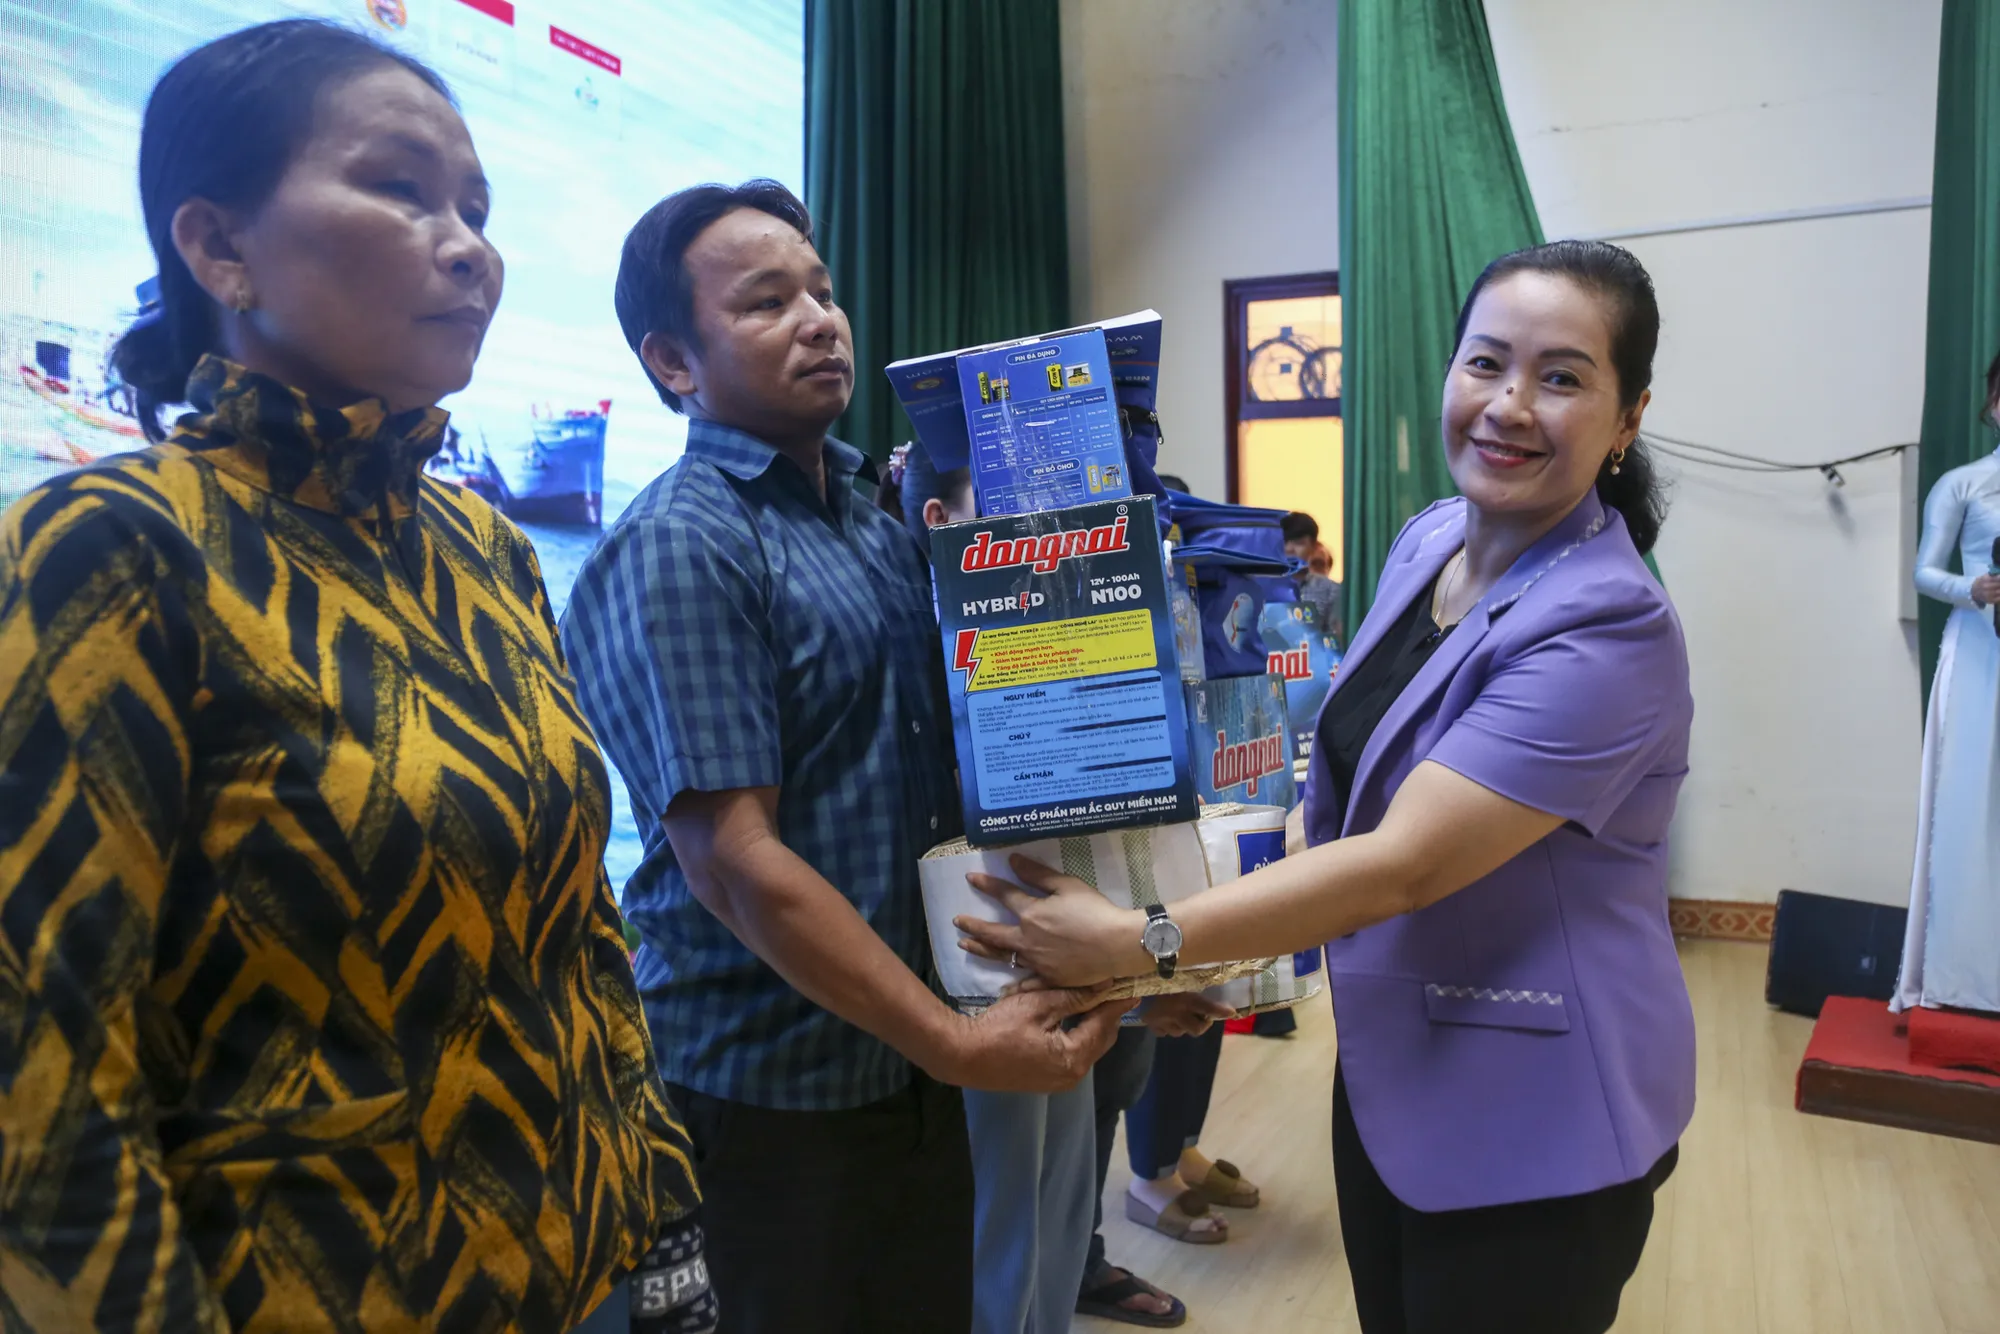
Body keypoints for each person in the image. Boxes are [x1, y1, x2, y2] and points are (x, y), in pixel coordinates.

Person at [0, 22, 704, 1334]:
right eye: (399, 189)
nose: (468, 245)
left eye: (476, 209)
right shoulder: (109, 547)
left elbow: (585, 942)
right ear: (219, 246)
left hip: (590, 1278)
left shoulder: (485, 548)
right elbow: (40, 1080)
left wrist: (662, 1232)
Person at [958, 239, 1695, 1334]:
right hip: (1398, 1075)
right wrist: (1223, 960)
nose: (1508, 405)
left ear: (1626, 417)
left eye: (1560, 377)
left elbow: (1402, 863)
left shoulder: (1607, 624)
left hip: (1538, 1111)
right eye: (1486, 362)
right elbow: (1340, 807)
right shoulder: (1430, 543)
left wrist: (1142, 942)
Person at [562, 180, 1121, 1334]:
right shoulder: (682, 541)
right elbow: (733, 863)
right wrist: (953, 1040)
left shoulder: (869, 528)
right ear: (673, 360)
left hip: (904, 1066)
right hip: (768, 1090)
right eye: (766, 302)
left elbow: (971, 777)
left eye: (821, 292)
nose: (820, 320)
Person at [1894, 350, 2000, 1014]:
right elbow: (1924, 572)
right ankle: (1962, 977)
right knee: (1968, 800)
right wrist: (1973, 588)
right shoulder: (1964, 485)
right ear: (1994, 406)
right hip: (1980, 652)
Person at [1282, 510, 1345, 644]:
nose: (1289, 549)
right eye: (1284, 542)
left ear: (1314, 547)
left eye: (1298, 543)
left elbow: (1336, 642)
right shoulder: (1261, 585)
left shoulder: (1331, 589)